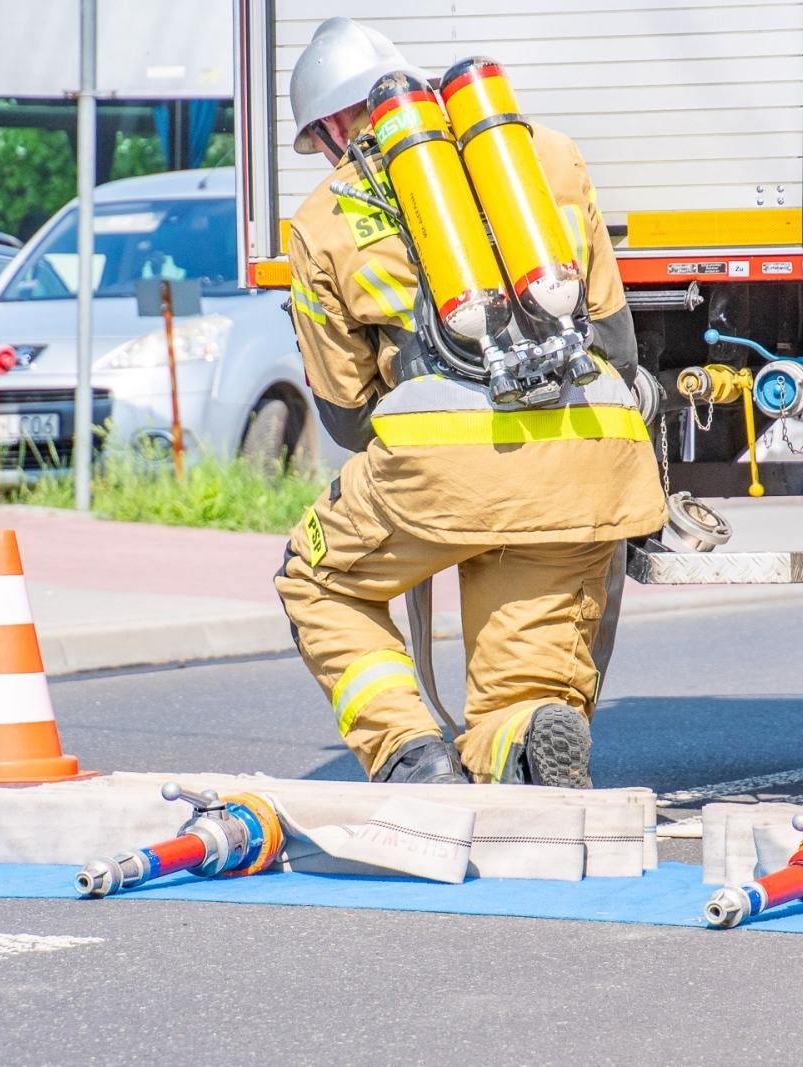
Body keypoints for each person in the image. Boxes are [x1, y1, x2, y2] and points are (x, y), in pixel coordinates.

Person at [275, 17, 665, 787]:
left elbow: (348, 412)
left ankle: (409, 751)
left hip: (437, 470)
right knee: (526, 681)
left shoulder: (325, 216)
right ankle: (520, 738)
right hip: (586, 453)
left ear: (332, 125)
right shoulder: (549, 160)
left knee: (315, 580)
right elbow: (617, 343)